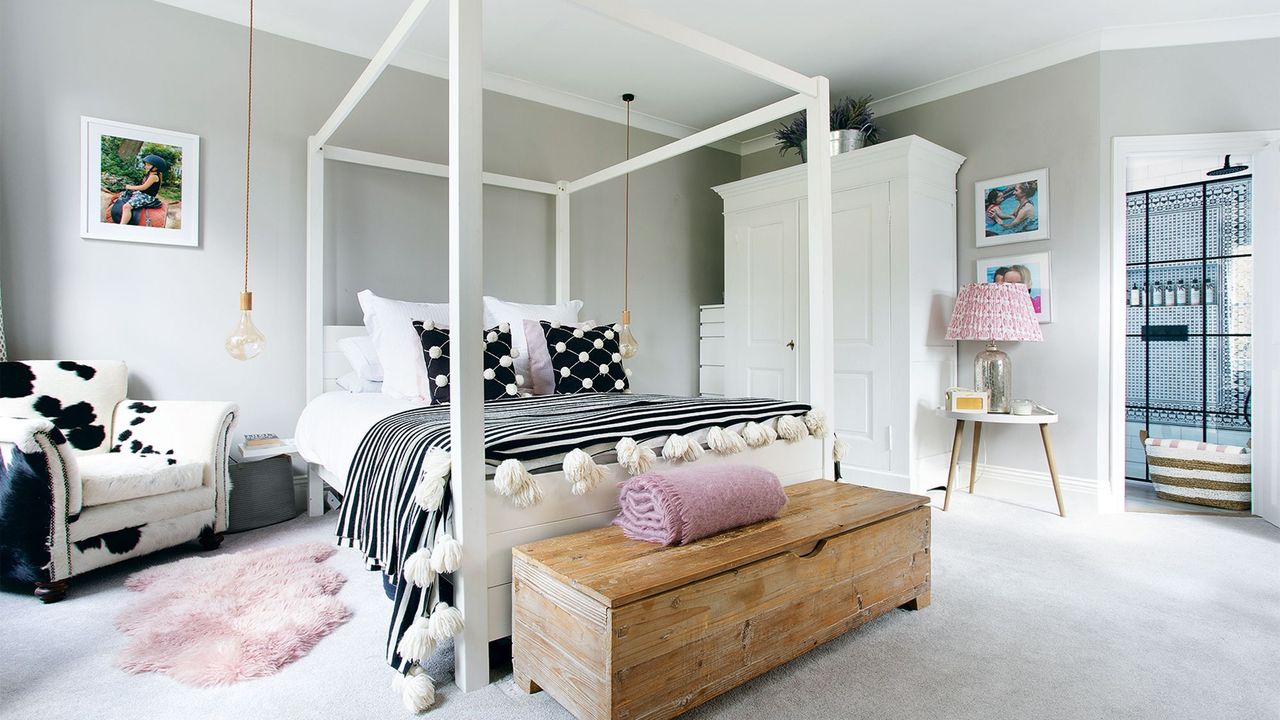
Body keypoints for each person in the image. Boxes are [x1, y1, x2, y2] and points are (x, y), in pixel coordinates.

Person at [113, 154, 168, 225]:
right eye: (146, 164)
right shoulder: (149, 174)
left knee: (126, 207)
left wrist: (130, 187)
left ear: (156, 168)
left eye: (148, 165)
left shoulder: (154, 177)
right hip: (142, 193)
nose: (145, 166)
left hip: (146, 197)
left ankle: (122, 225)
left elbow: (143, 187)